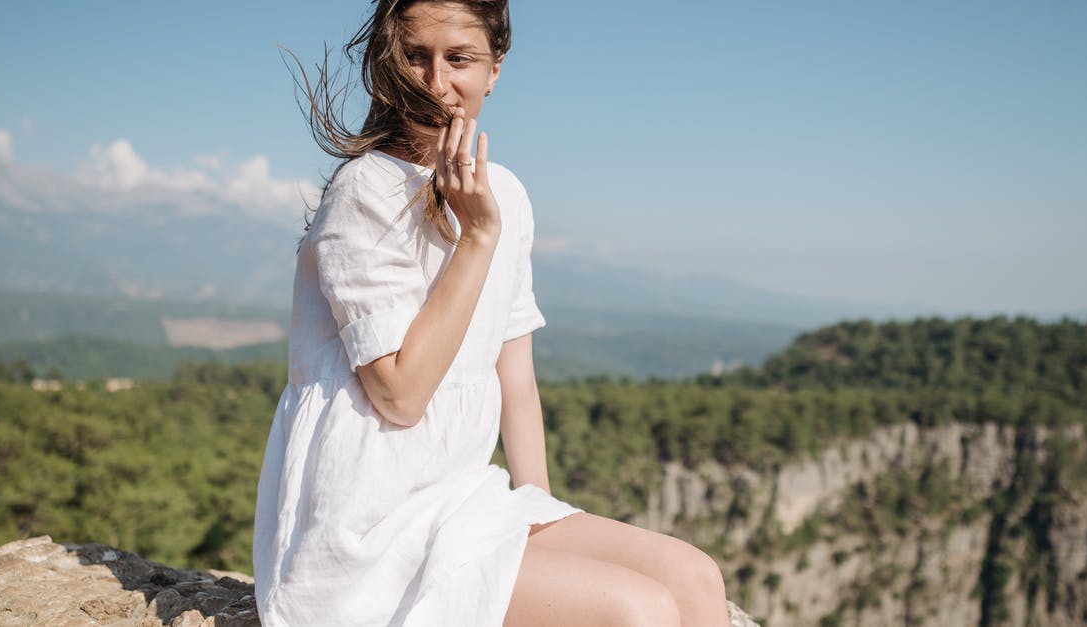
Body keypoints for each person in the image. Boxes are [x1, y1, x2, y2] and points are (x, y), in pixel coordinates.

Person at [252, 1, 730, 625]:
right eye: (415, 57)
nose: (436, 81)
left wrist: (541, 512)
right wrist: (476, 237)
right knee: (637, 611)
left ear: (494, 70)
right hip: (364, 528)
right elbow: (399, 393)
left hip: (462, 498)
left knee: (695, 578)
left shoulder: (504, 192)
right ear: (385, 66)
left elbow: (517, 379)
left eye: (460, 58)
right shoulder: (364, 191)